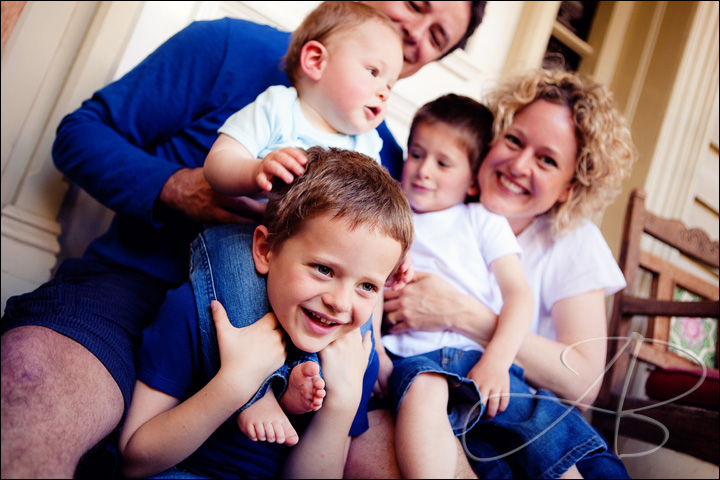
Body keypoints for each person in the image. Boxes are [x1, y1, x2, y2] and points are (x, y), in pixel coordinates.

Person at [0, 2, 486, 477]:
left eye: (437, 37)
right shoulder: (229, 45)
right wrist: (178, 189)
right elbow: (79, 135)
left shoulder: (382, 150)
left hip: (299, 341)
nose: (416, 31)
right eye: (417, 4)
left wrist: (372, 355)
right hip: (134, 290)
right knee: (34, 383)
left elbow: (372, 264)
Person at [344, 68, 637, 479]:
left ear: (571, 185)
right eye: (514, 140)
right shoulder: (422, 210)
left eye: (547, 160)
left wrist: (461, 314)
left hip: (509, 396)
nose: (518, 164)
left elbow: (583, 383)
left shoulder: (570, 239)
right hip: (426, 379)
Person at [117, 146, 414, 478]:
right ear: (265, 250)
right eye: (324, 270)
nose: (341, 303)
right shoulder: (202, 310)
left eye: (367, 286)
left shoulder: (357, 357)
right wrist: (236, 382)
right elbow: (133, 461)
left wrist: (342, 402)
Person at [195, 0, 403, 447]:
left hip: (328, 268)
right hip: (255, 240)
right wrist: (255, 170)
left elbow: (381, 214)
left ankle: (340, 407)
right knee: (232, 265)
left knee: (359, 305)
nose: (385, 91)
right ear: (315, 60)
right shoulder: (278, 108)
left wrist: (396, 256)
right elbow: (218, 165)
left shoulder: (366, 143)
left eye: (391, 83)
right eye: (373, 72)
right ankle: (253, 390)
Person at [373, 93, 534, 478]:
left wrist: (497, 360)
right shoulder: (392, 218)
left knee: (550, 430)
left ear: (474, 180)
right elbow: (372, 284)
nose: (423, 170)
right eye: (416, 153)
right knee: (422, 394)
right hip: (412, 362)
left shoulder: (482, 221)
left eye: (443, 162)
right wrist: (375, 349)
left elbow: (519, 295)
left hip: (478, 360)